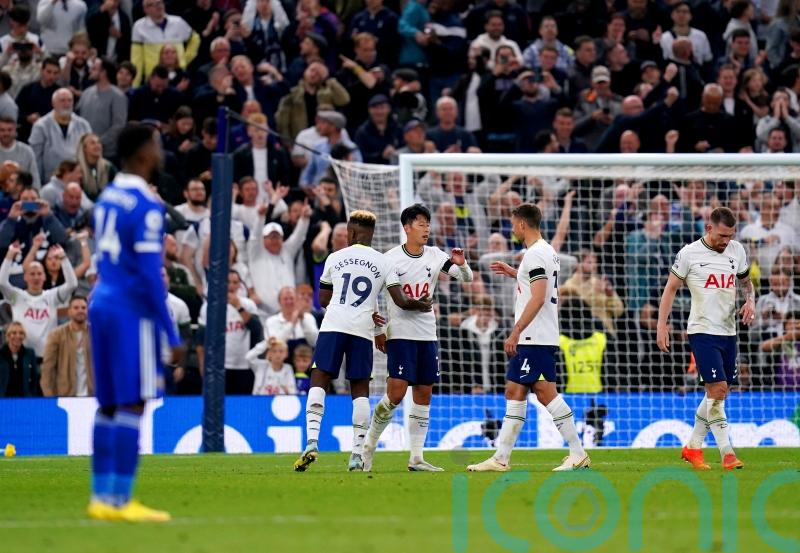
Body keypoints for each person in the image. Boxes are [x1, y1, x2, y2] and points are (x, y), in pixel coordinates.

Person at [86, 123, 182, 522]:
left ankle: (100, 496)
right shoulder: (146, 205)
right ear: (143, 153)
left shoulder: (107, 197)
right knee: (133, 401)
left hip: (100, 302)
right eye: (156, 145)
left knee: (107, 403)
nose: (160, 152)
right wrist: (170, 332)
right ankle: (121, 500)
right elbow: (148, 273)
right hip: (130, 310)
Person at [293, 210, 433, 473]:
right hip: (362, 330)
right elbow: (401, 301)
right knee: (359, 389)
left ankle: (312, 442)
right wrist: (420, 303)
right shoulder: (383, 262)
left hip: (333, 326)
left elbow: (322, 300)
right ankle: (357, 455)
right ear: (371, 234)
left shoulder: (335, 257)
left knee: (319, 379)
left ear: (352, 233)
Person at [467, 203, 590, 472]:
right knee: (515, 390)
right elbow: (539, 285)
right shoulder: (546, 252)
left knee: (545, 393)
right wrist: (516, 273)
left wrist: (516, 330)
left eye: (513, 224)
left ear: (522, 224)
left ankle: (578, 452)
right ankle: (501, 458)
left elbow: (538, 296)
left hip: (534, 335)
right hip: (539, 335)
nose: (512, 229)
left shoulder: (535, 254)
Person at [362, 203, 473, 472]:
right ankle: (367, 448)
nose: (426, 229)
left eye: (428, 224)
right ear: (407, 227)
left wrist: (463, 264)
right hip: (400, 335)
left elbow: (466, 278)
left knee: (424, 393)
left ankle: (416, 458)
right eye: (421, 224)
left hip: (427, 335)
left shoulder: (435, 255)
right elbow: (375, 296)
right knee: (396, 394)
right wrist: (378, 330)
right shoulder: (389, 259)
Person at [657, 207, 754, 471]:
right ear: (709, 228)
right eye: (723, 235)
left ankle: (693, 447)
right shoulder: (689, 254)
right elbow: (670, 289)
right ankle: (727, 453)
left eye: (731, 235)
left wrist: (750, 301)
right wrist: (661, 326)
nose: (727, 241)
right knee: (718, 389)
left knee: (718, 392)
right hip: (701, 331)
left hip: (728, 331)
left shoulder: (737, 251)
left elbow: (746, 282)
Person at [28, 87, 92, 182]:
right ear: (53, 103)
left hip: (79, 180)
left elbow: (90, 153)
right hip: (50, 180)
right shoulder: (41, 126)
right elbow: (35, 158)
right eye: (62, 100)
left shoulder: (83, 125)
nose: (66, 104)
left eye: (69, 100)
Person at [76, 58, 128, 161]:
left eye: (94, 68)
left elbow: (118, 126)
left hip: (107, 155)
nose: (90, 70)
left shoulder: (118, 96)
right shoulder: (86, 93)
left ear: (103, 72)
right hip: (84, 153)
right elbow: (77, 118)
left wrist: (97, 142)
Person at [40, 294, 93, 397]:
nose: (80, 310)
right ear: (69, 311)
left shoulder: (96, 333)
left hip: (93, 396)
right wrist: (50, 397)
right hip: (66, 396)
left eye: (83, 307)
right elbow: (47, 368)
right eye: (76, 308)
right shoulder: (56, 335)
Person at [0, 321, 39, 397]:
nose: (18, 336)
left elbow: (35, 379)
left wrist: (32, 396)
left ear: (24, 336)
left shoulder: (30, 353)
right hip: (3, 400)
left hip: (25, 400)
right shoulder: (1, 354)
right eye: (14, 333)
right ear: (8, 336)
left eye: (21, 333)